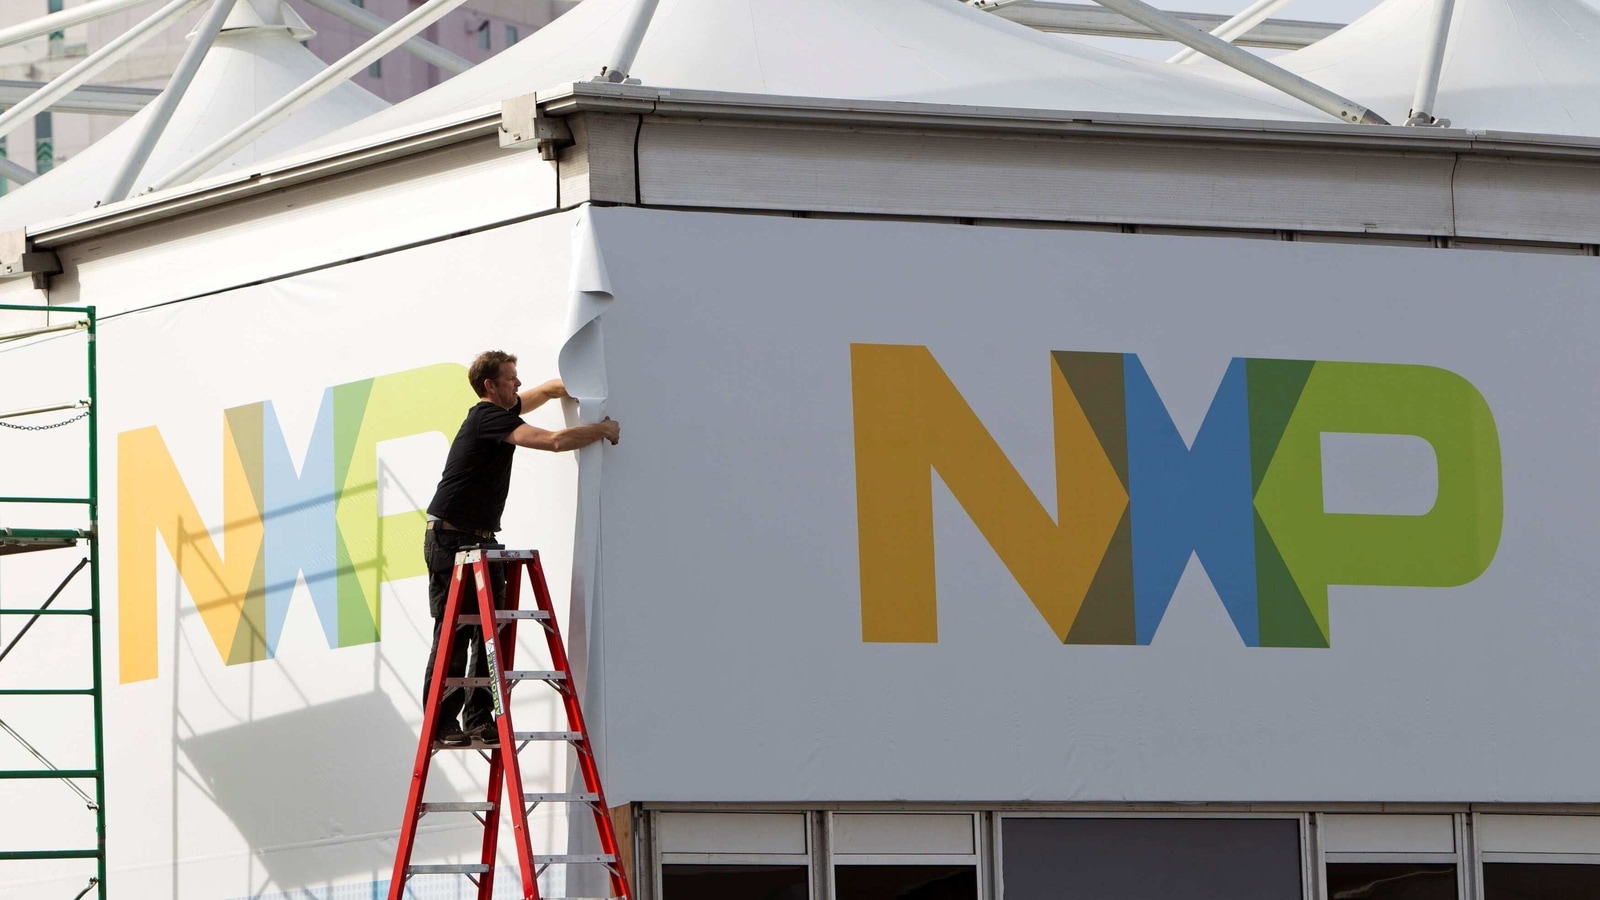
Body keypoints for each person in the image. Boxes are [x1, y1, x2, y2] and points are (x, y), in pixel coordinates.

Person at [422, 350, 620, 746]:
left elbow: (546, 390)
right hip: (452, 539)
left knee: (489, 632)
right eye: (510, 378)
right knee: (456, 631)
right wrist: (602, 428)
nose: (517, 383)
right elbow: (555, 441)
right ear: (490, 386)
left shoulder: (501, 408)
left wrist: (585, 390)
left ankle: (479, 718)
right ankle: (440, 723)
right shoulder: (488, 417)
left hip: (477, 539)